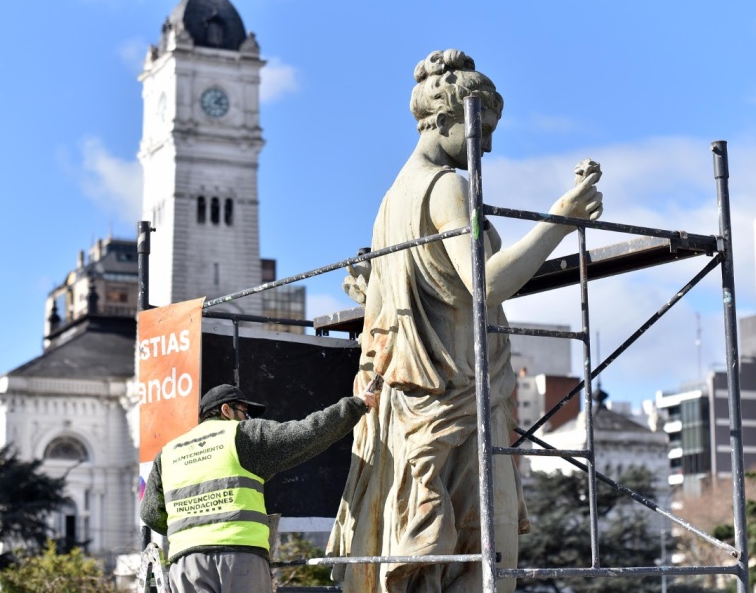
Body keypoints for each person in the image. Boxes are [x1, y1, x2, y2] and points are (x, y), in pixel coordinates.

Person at [327, 49, 604, 592]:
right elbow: (488, 284)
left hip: (413, 408)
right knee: (482, 563)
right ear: (453, 118)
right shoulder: (447, 186)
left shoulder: (389, 201)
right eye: (487, 127)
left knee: (434, 563)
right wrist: (559, 220)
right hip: (457, 402)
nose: (492, 145)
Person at [141, 382, 379, 593]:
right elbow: (307, 433)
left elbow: (150, 513)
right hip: (239, 558)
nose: (248, 419)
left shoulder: (168, 453)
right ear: (226, 410)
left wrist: (192, 531)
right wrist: (355, 406)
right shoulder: (241, 436)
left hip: (186, 564)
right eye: (245, 412)